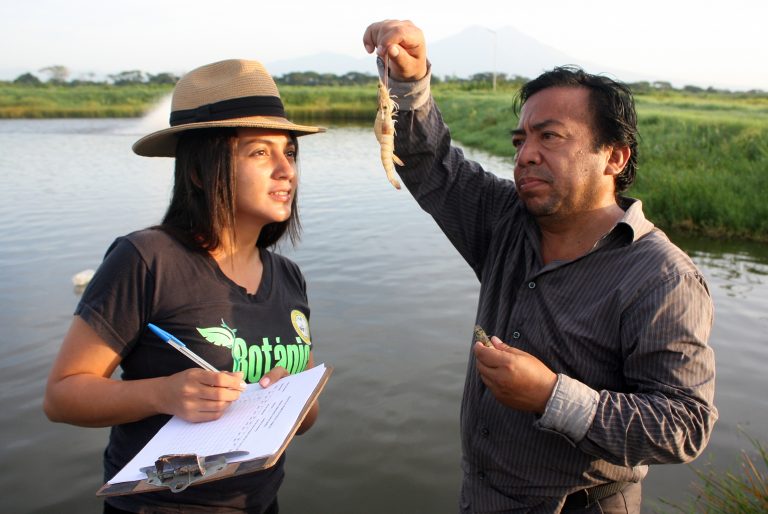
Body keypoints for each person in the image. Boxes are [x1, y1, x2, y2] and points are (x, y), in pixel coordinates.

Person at [363, 20, 717, 513]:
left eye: (550, 137)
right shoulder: (505, 222)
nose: (526, 155)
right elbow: (430, 162)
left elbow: (683, 425)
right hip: (482, 499)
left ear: (614, 157)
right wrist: (409, 79)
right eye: (520, 140)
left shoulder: (661, 277)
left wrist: (551, 395)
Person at [44, 59, 325, 514]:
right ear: (199, 170)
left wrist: (285, 395)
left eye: (289, 153)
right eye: (259, 153)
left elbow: (307, 419)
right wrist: (163, 393)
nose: (285, 170)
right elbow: (62, 397)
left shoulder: (288, 276)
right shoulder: (147, 259)